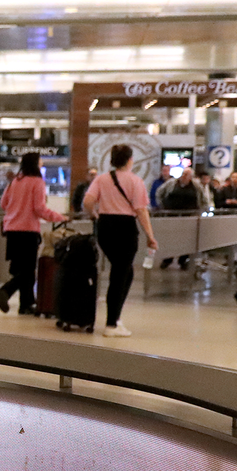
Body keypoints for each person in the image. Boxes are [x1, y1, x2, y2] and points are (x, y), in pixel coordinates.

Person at [83, 143, 159, 337]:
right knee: (120, 274)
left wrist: (94, 215)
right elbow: (141, 210)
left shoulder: (102, 179)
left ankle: (115, 317)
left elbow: (87, 202)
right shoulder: (136, 181)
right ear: (130, 160)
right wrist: (150, 236)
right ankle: (111, 324)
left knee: (125, 272)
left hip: (105, 226)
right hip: (125, 228)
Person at [0, 151, 64, 315]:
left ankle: (26, 304)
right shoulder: (37, 182)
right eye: (40, 161)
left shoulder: (15, 182)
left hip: (11, 231)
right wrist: (59, 217)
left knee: (20, 269)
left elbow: (3, 204)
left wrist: (17, 209)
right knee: (27, 270)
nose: (42, 163)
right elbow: (39, 208)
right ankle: (5, 290)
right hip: (28, 231)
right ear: (35, 163)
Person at [156, 167, 204, 268]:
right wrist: (162, 206)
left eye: (187, 175)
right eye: (183, 174)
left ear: (191, 177)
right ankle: (167, 259)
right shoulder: (171, 183)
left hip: (189, 217)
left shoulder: (196, 186)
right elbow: (159, 192)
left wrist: (201, 210)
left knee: (187, 240)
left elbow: (203, 198)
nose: (184, 176)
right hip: (172, 216)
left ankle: (183, 260)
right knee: (170, 238)